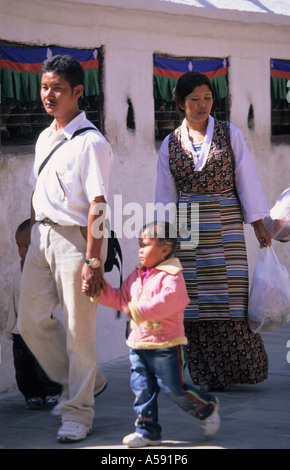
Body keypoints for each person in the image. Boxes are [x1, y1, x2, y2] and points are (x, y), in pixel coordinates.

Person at [155, 71, 271, 392]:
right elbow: (165, 195)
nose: (202, 104)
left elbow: (246, 179)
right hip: (187, 227)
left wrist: (259, 224)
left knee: (230, 297)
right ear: (180, 103)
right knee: (194, 304)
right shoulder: (170, 144)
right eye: (194, 99)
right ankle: (208, 375)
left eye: (207, 98)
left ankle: (242, 369)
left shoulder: (229, 134)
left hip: (227, 222)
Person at [17, 54, 113, 443]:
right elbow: (37, 192)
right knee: (29, 321)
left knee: (79, 332)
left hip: (77, 241)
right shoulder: (44, 138)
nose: (49, 94)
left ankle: (78, 412)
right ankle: (91, 379)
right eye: (44, 87)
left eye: (57, 88)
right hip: (41, 239)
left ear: (77, 91)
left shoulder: (92, 142)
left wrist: (94, 258)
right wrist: (30, 237)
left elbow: (100, 205)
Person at [90, 221, 220, 448]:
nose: (140, 249)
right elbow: (122, 299)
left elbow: (167, 302)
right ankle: (147, 431)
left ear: (164, 249)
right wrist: (100, 291)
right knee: (142, 390)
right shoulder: (136, 275)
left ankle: (206, 407)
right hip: (138, 346)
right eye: (139, 244)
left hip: (167, 346)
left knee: (173, 389)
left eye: (146, 244)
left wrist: (138, 310)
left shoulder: (173, 277)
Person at [6, 219, 62, 410]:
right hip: (20, 331)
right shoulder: (17, 272)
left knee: (45, 363)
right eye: (19, 246)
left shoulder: (45, 271)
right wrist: (11, 329)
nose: (23, 251)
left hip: (41, 330)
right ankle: (32, 394)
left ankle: (53, 392)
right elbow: (14, 301)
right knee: (24, 367)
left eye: (27, 246)